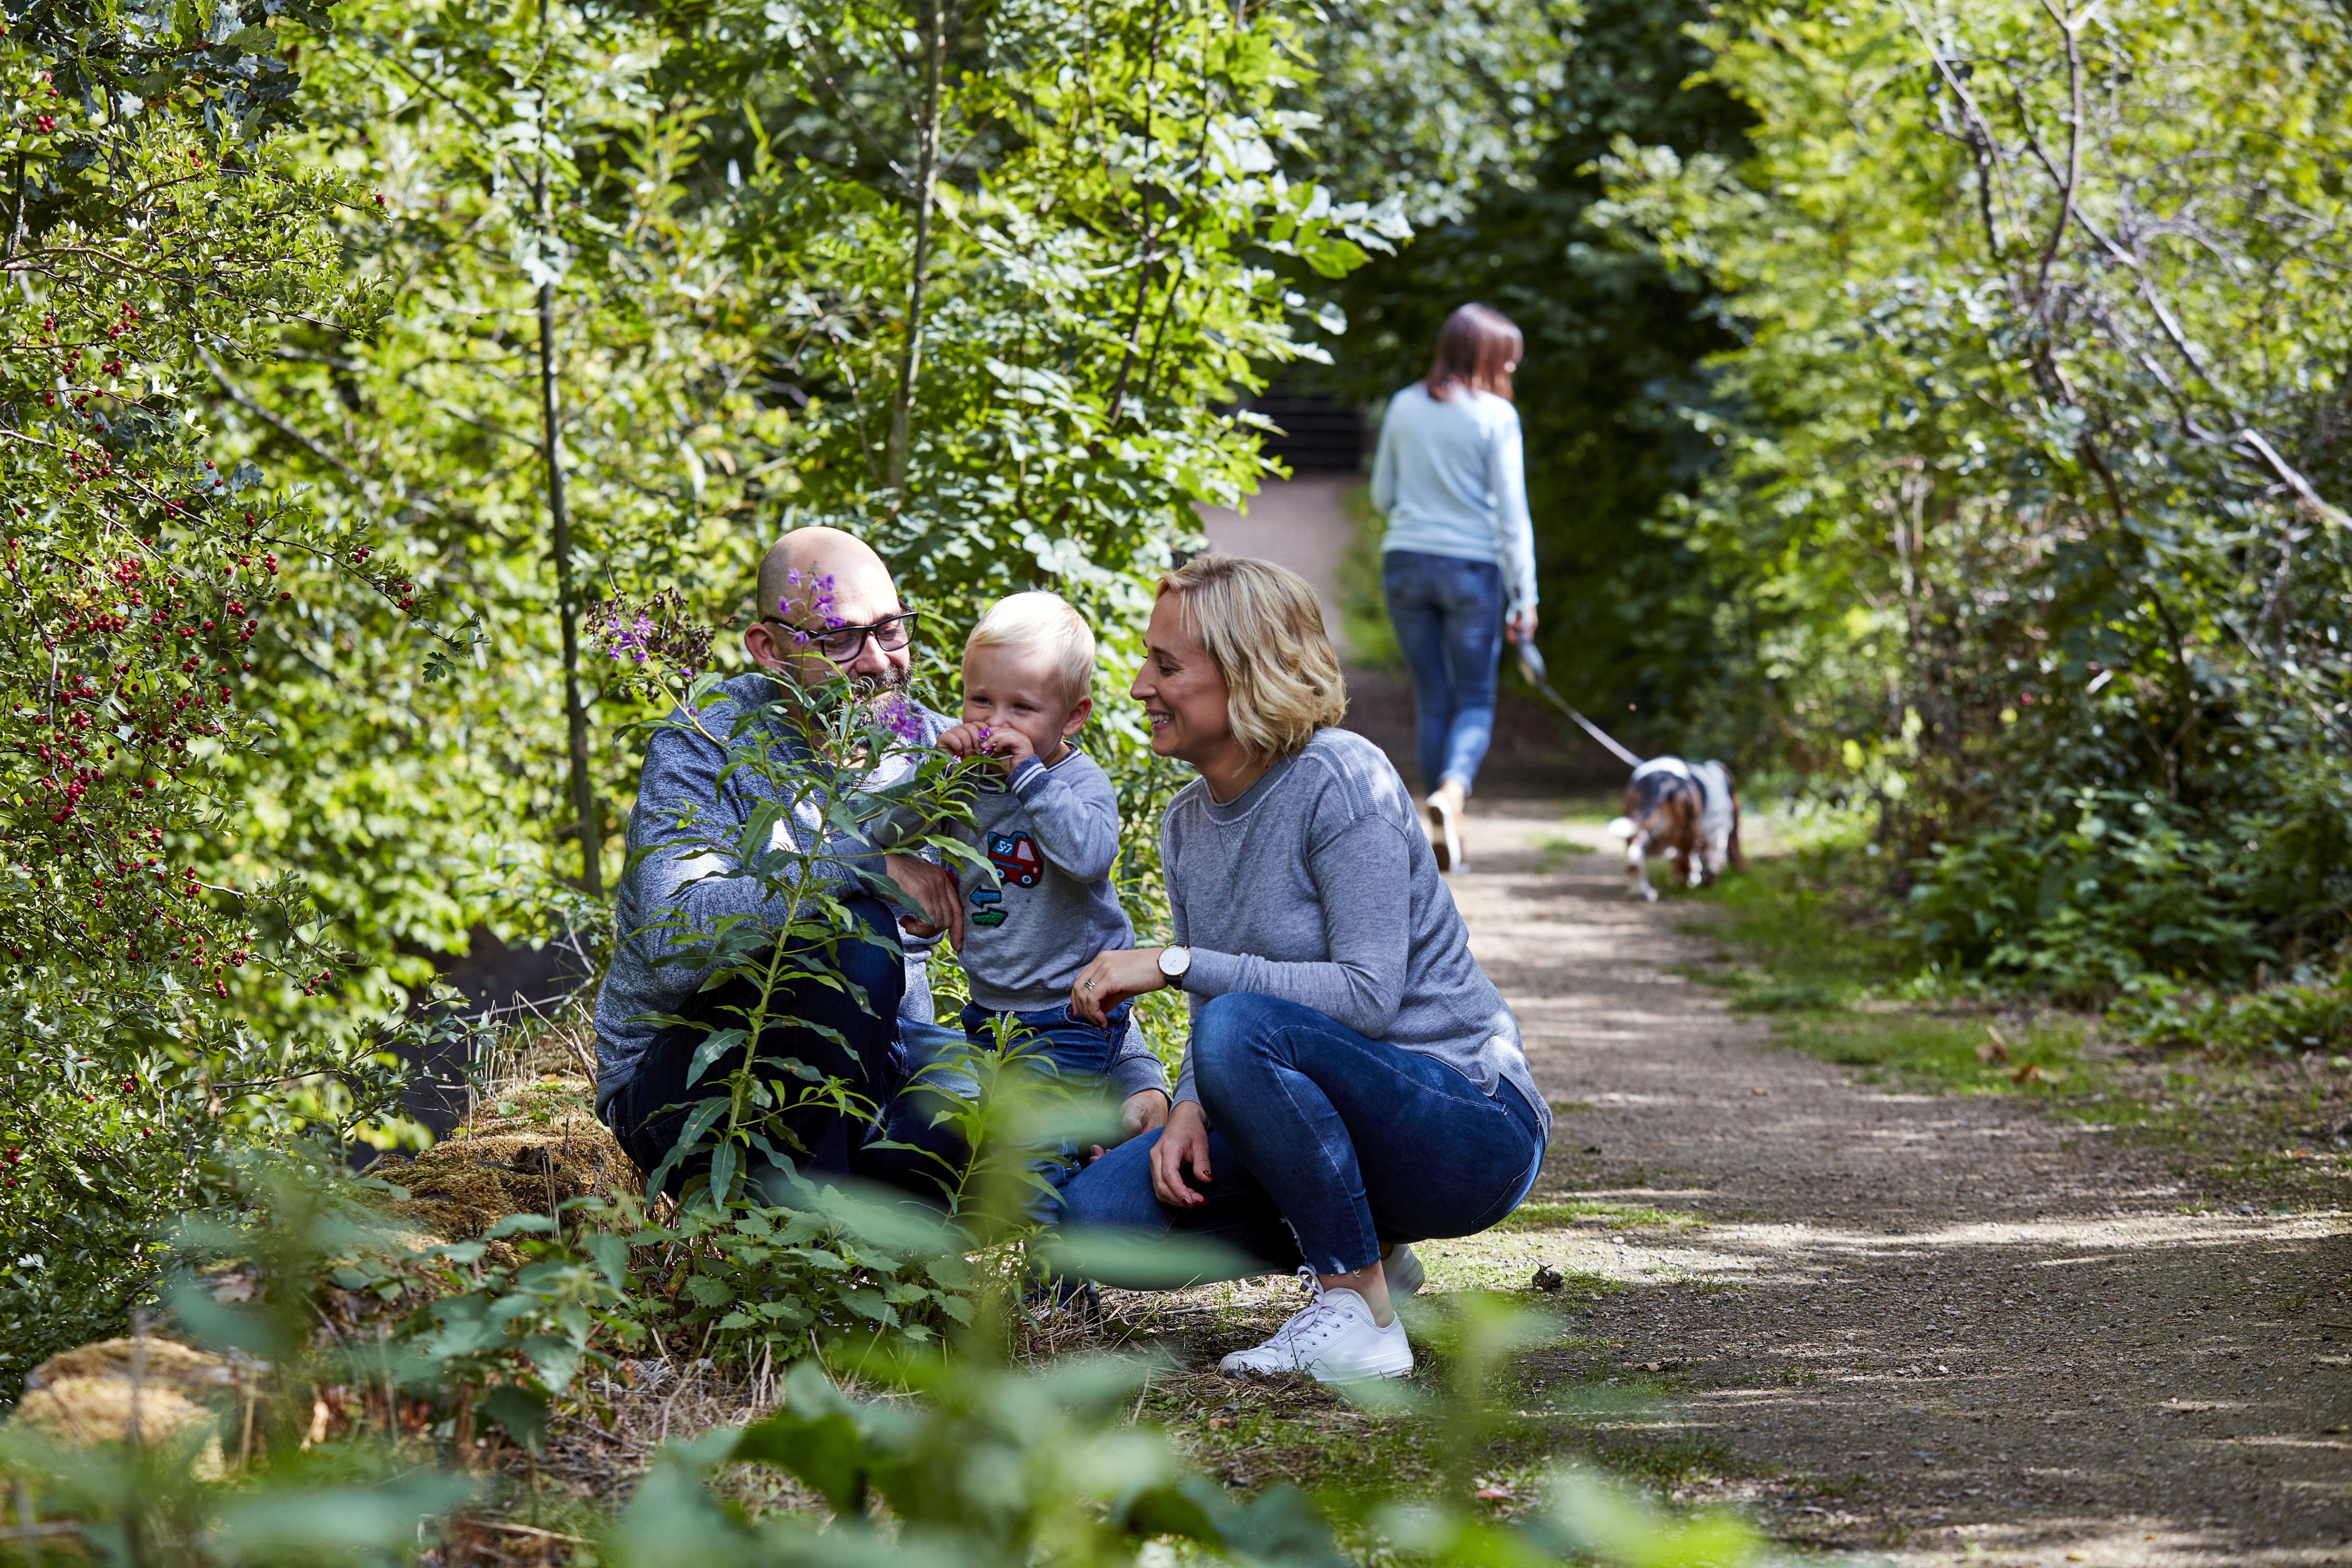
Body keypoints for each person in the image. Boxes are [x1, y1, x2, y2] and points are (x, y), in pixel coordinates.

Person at [1057, 554, 1549, 1382]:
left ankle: (1356, 1307)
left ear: (1245, 674)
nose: (1139, 684)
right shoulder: (1185, 826)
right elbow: (1230, 1005)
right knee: (1093, 1216)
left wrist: (1171, 965)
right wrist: (1187, 1105)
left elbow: (1363, 995)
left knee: (1236, 1022)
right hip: (1332, 1114)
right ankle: (1375, 1260)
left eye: (1166, 665)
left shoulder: (1341, 777)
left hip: (1467, 1120)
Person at [592, 527, 1168, 1199]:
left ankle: (863, 1222)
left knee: (1025, 1115)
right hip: (698, 1079)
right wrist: (864, 865)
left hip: (885, 1068)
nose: (876, 661)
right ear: (767, 648)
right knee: (854, 936)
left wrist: (1132, 1073)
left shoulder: (937, 749)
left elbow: (1060, 915)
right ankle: (797, 1258)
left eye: (891, 630)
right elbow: (671, 939)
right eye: (840, 639)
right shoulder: (706, 744)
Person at [927, 591, 1150, 1218]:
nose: (996, 723)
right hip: (991, 1010)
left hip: (1068, 1011)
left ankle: (1051, 1305)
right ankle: (1073, 1257)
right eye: (980, 701)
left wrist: (1030, 779)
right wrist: (931, 777)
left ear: (1073, 717)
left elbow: (1088, 857)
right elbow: (892, 834)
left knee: (1033, 1164)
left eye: (1022, 708)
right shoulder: (962, 777)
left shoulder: (1078, 783)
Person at [1369, 301, 1537, 875]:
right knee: (1476, 697)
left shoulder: (1404, 405)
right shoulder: (1494, 416)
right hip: (1472, 568)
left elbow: (1383, 498)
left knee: (1433, 696)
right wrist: (1526, 597)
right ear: (1487, 357)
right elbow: (1513, 515)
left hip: (1406, 560)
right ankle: (1454, 793)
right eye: (1508, 363)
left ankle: (1440, 819)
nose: (1509, 375)